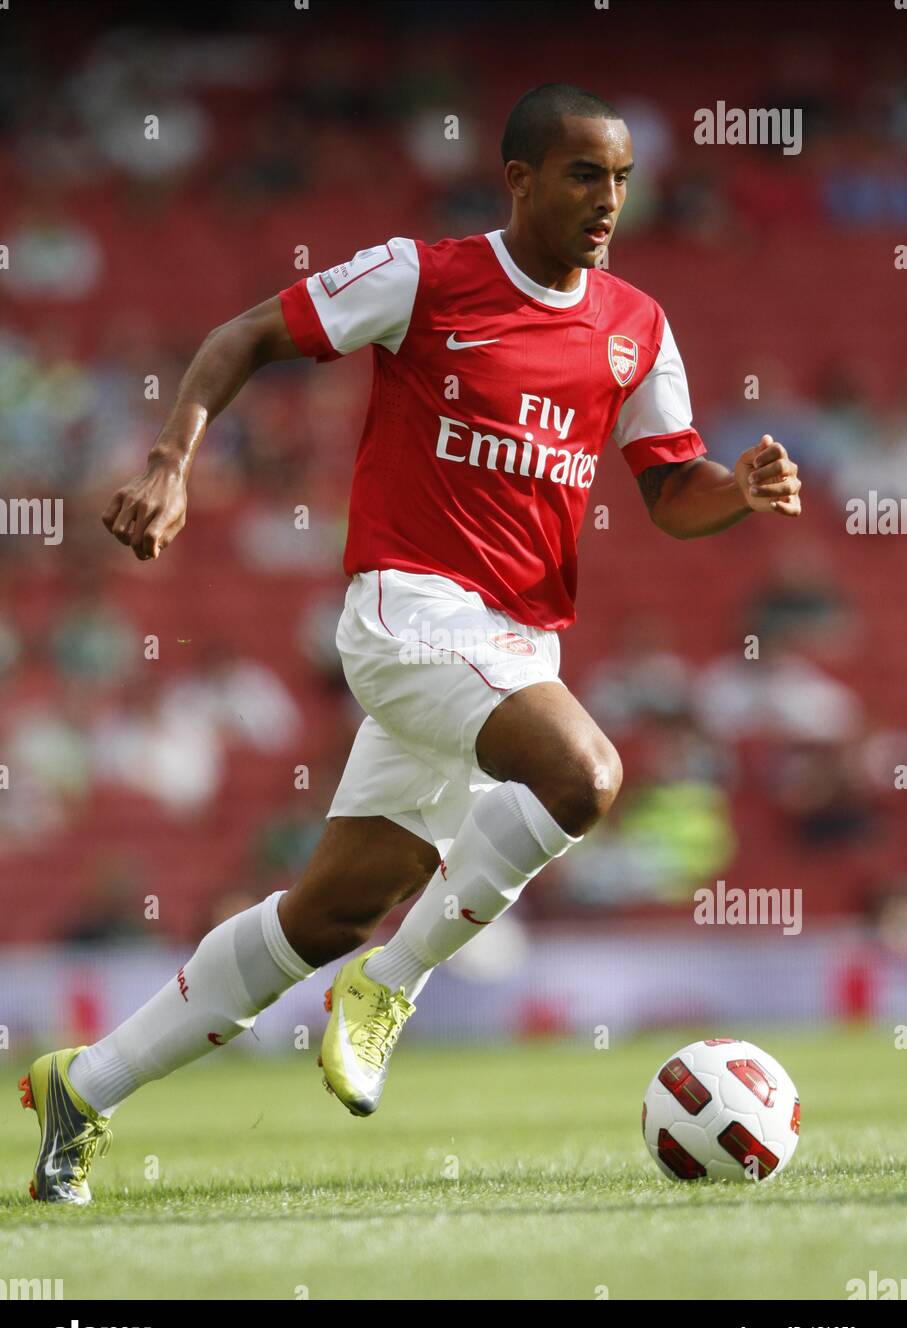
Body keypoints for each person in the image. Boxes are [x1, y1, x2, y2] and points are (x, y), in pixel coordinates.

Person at [19, 83, 801, 1204]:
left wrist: (741, 490)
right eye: (584, 174)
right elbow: (242, 334)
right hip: (408, 615)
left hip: (520, 647)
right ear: (521, 177)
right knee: (584, 776)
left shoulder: (636, 326)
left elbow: (673, 489)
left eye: (622, 178)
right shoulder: (424, 277)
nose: (609, 200)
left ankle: (81, 1089)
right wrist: (170, 460)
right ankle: (389, 985)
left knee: (325, 909)